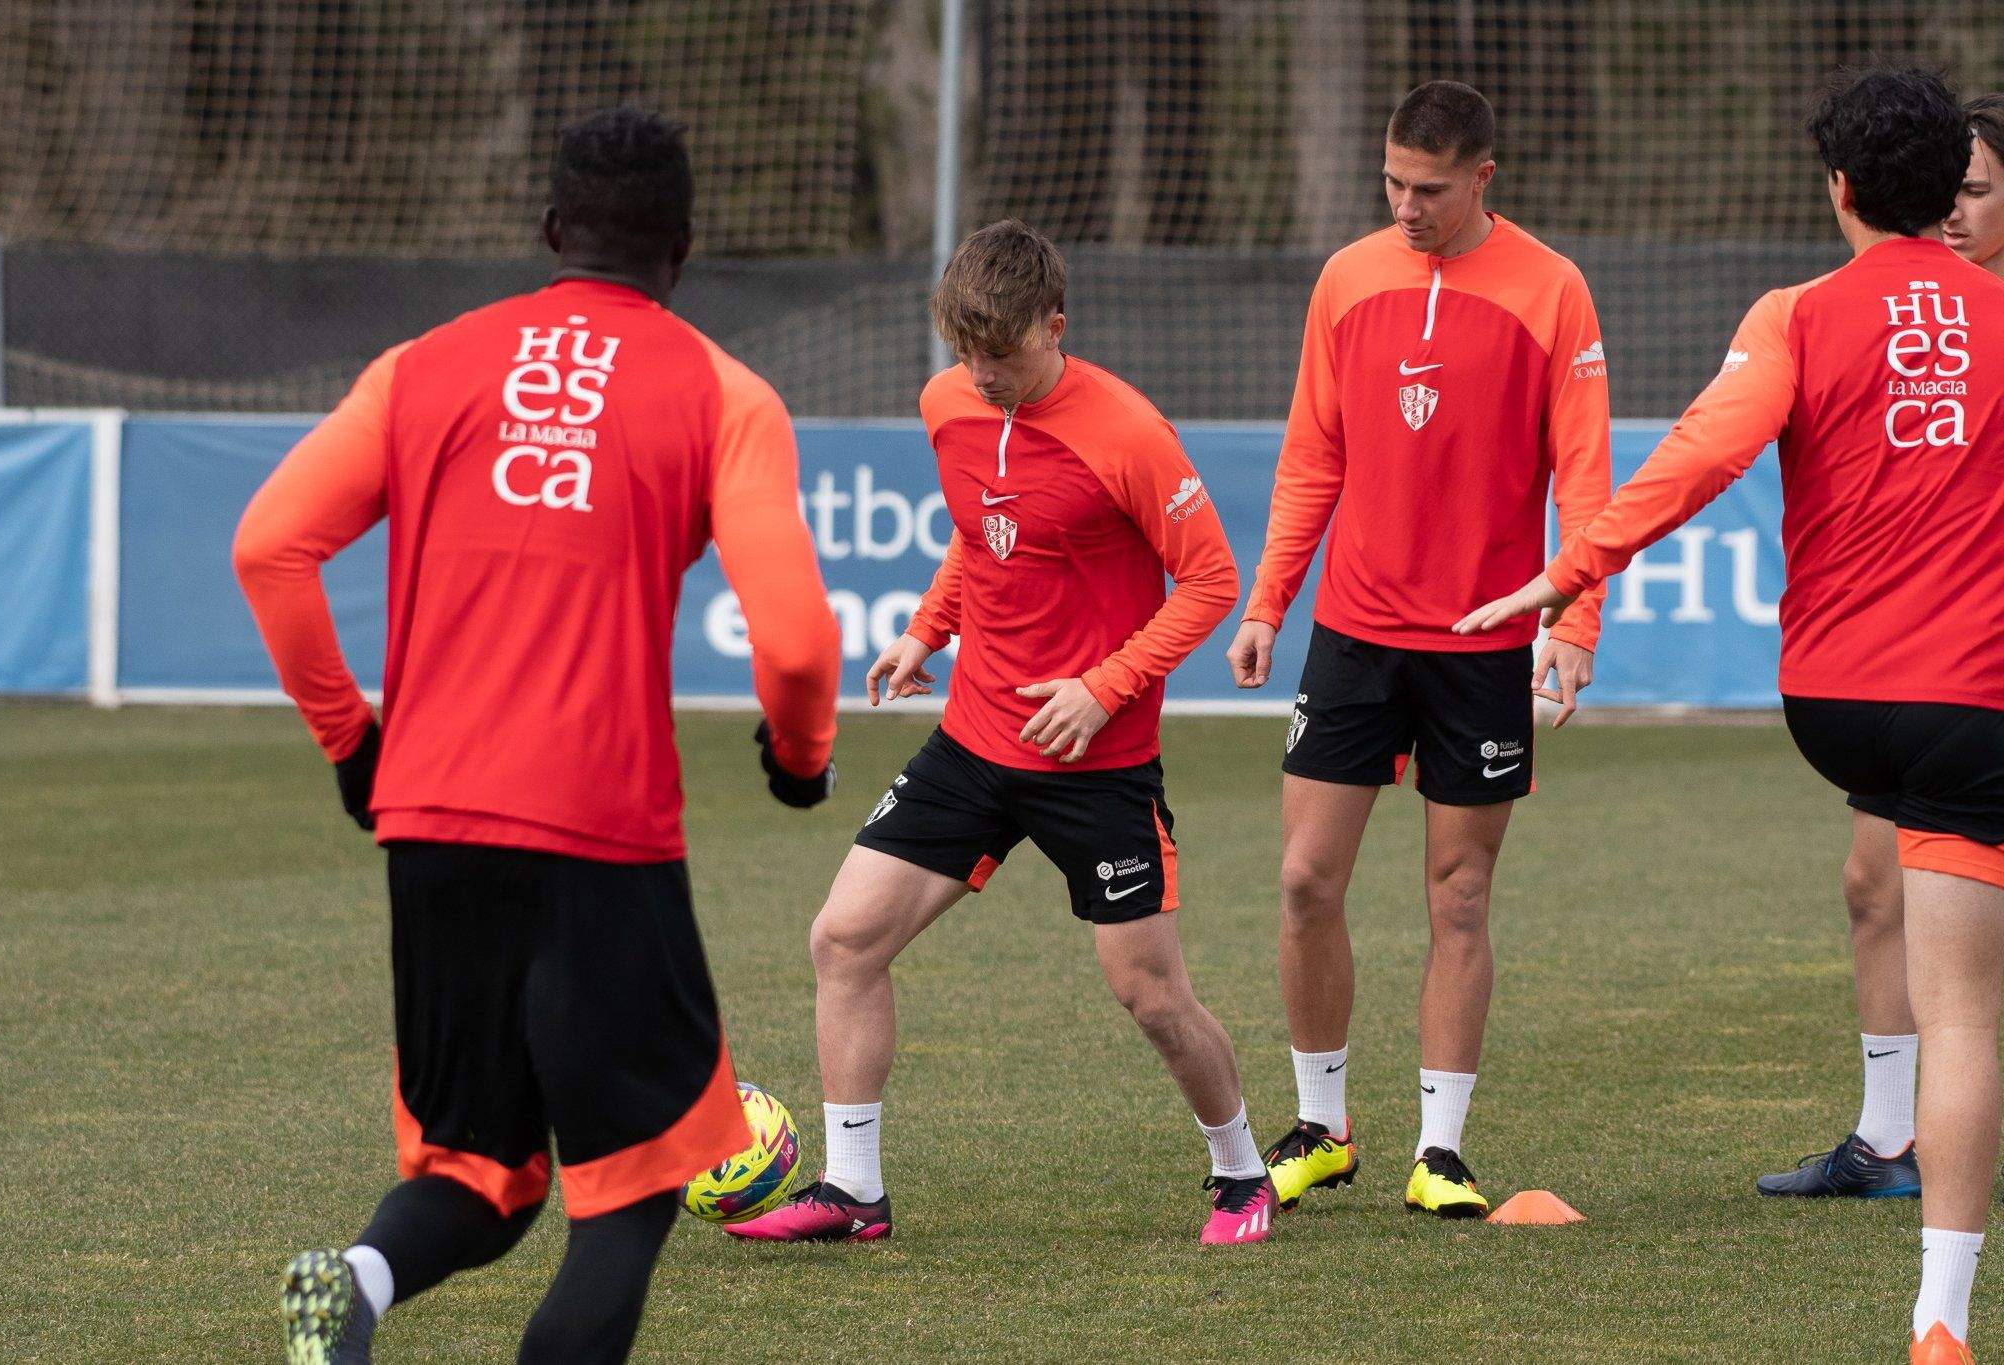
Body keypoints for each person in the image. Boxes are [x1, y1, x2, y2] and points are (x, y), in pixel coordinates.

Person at [233, 107, 842, 1364]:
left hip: (434, 825)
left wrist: (355, 747)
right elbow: (790, 641)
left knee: (482, 1175)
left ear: (553, 229)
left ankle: (344, 1287)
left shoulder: (420, 365)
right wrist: (798, 762)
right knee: (627, 1192)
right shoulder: (722, 393)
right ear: (682, 246)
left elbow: (268, 549)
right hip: (598, 833)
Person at [1455, 67, 1999, 1365]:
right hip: (1969, 704)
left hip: (1834, 707)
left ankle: (1883, 1144)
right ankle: (1939, 1320)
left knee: (1897, 894)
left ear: (1842, 190)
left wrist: (1572, 565)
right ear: (1952, 194)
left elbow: (1705, 450)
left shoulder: (1796, 313)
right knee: (1968, 1010)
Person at [725, 219, 1275, 1247]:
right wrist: (927, 628)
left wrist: (1104, 688)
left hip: (1095, 761)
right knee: (843, 940)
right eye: (965, 356)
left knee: (1149, 996)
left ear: (1054, 326)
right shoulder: (950, 403)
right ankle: (853, 1193)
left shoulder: (1127, 435)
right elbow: (978, 535)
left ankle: (1241, 1173)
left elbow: (1209, 580)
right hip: (974, 740)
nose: (980, 378)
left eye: (1003, 356)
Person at [1224, 80, 1611, 1218]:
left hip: (1481, 642)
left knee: (1456, 896)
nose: (1403, 206)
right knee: (1304, 881)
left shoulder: (1552, 290)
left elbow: (1584, 476)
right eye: (1390, 182)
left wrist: (1571, 621)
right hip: (1351, 629)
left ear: (1480, 179)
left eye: (1426, 190)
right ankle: (1321, 1122)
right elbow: (1310, 458)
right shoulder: (1345, 278)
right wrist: (1266, 602)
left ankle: (1439, 1152)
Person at [1756, 91, 2004, 1203]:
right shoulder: (1889, 317)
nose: (1952, 212)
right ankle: (1887, 1138)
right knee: (1873, 883)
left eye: (1976, 192)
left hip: (1969, 669)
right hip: (1925, 667)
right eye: (1945, 190)